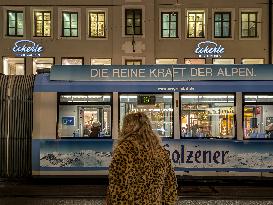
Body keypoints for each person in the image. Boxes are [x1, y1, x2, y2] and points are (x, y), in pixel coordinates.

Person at [107, 112, 178, 204]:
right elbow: (170, 185)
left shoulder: (123, 150)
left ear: (126, 127)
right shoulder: (160, 151)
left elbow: (117, 188)